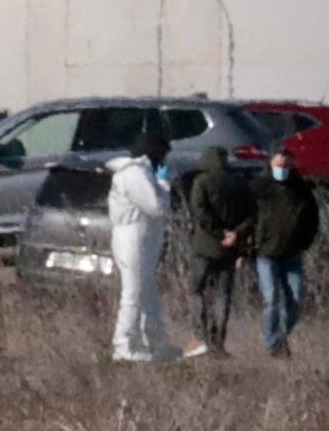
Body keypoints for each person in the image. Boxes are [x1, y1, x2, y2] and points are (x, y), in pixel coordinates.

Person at [107, 132, 177, 363]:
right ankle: (123, 346)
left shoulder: (142, 172)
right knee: (133, 293)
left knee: (147, 294)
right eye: (163, 155)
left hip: (142, 236)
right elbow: (156, 207)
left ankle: (156, 342)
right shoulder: (135, 173)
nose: (164, 160)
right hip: (133, 237)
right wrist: (164, 183)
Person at [184, 146, 255, 358]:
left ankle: (200, 337)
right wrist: (236, 235)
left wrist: (218, 232)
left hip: (204, 247)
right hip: (229, 250)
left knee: (197, 290)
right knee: (223, 295)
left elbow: (199, 211)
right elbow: (252, 215)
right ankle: (218, 343)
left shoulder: (202, 182)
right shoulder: (239, 184)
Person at [249, 149, 320, 358]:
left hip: (291, 254)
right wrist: (248, 246)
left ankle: (281, 337)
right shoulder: (259, 188)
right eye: (279, 165)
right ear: (271, 164)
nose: (282, 170)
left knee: (296, 300)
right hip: (265, 252)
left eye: (286, 166)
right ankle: (272, 342)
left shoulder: (300, 190)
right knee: (271, 298)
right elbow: (248, 217)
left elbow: (312, 219)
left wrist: (305, 242)